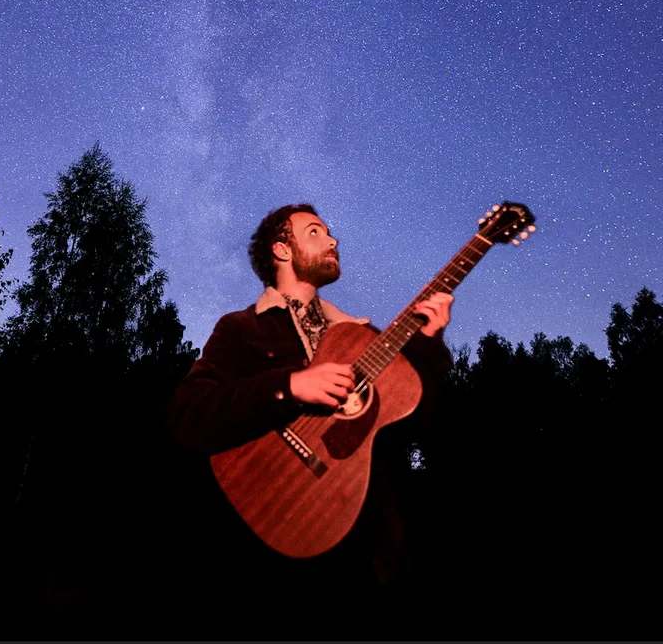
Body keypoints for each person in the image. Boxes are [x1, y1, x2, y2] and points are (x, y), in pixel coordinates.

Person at [165, 204, 452, 631]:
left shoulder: (361, 338)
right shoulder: (242, 328)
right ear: (282, 250)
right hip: (271, 564)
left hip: (373, 559)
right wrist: (290, 386)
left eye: (329, 233)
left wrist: (428, 345)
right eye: (316, 232)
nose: (333, 240)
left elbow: (421, 424)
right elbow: (187, 416)